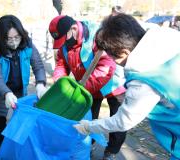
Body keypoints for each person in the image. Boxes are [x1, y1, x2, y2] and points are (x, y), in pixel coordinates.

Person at [74, 14, 180, 160]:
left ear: (124, 52)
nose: (113, 61)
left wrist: (88, 127)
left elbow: (123, 120)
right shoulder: (167, 40)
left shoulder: (145, 79)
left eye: (113, 57)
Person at [49, 15, 126, 159]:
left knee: (118, 119)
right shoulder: (65, 45)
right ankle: (87, 145)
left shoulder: (97, 35)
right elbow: (61, 64)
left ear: (73, 29)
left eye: (63, 39)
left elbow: (106, 67)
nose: (63, 43)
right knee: (87, 118)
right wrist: (61, 85)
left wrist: (82, 90)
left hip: (113, 84)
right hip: (87, 88)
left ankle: (112, 151)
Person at [0, 15, 47, 152]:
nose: (14, 42)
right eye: (9, 39)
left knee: (21, 115)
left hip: (18, 86)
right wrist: (6, 93)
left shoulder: (27, 44)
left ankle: (18, 148)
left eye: (16, 37)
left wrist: (40, 83)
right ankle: (1, 152)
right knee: (0, 120)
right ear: (1, 37)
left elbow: (38, 66)